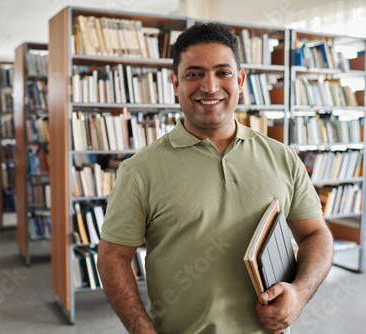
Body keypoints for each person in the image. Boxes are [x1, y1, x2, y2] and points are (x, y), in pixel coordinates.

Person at [97, 22, 334, 334]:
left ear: (240, 80)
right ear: (174, 83)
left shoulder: (283, 158)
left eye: (222, 72)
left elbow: (316, 235)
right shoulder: (140, 170)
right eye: (194, 74)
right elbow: (113, 258)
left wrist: (300, 293)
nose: (209, 87)